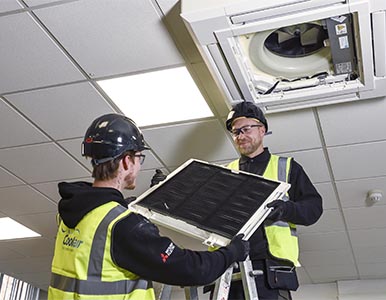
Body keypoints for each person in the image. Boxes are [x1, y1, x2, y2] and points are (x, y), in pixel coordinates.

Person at [47, 113, 250, 299]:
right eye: (139, 158)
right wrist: (232, 252)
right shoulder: (124, 226)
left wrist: (125, 206)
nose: (139, 165)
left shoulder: (69, 213)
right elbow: (192, 270)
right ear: (127, 161)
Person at [220, 101, 323, 300]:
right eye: (236, 132)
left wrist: (285, 209)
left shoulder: (287, 167)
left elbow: (314, 208)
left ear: (262, 130)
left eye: (246, 129)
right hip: (230, 270)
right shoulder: (225, 173)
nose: (240, 136)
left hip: (271, 271)